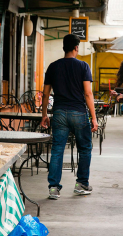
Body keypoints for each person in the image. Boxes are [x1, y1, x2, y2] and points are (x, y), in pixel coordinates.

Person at [41, 34, 98, 200]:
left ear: (64, 48)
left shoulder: (53, 66)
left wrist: (44, 115)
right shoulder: (83, 66)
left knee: (57, 149)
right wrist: (93, 117)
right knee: (85, 148)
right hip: (78, 112)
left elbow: (45, 94)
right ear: (76, 48)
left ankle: (53, 188)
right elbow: (88, 93)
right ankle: (81, 184)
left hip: (58, 113)